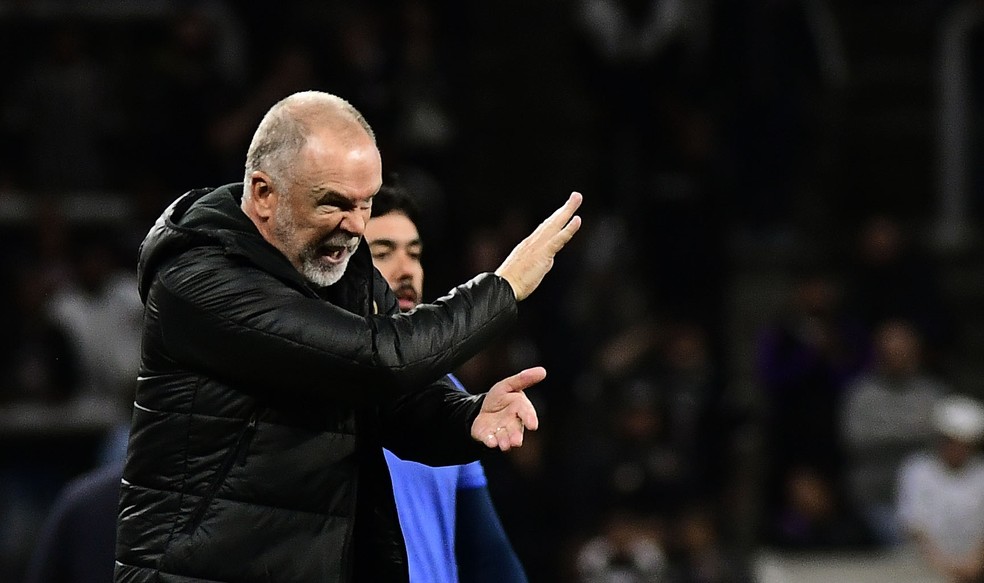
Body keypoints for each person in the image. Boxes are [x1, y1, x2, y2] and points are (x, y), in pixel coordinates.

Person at [114, 90, 582, 582]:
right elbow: (377, 360)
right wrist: (501, 289)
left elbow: (390, 401)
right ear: (263, 194)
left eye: (367, 203)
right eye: (334, 204)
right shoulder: (200, 277)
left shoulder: (341, 264)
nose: (357, 227)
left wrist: (468, 415)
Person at [365, 179, 527, 582]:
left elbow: (490, 559)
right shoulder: (318, 381)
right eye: (382, 253)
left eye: (414, 254)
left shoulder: (446, 391)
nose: (405, 271)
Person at [898, 394, 984, 582]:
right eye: (950, 441)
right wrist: (942, 564)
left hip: (974, 566)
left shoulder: (981, 474)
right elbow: (914, 526)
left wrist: (975, 562)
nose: (956, 448)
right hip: (925, 566)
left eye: (964, 443)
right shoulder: (917, 470)